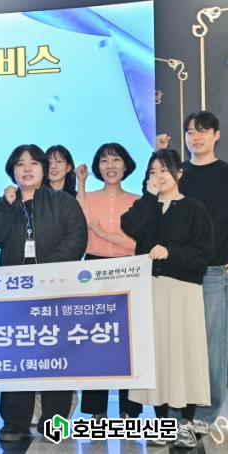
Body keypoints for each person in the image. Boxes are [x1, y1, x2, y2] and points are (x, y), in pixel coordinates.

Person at [0, 144, 87, 442]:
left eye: (33, 163)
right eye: (19, 164)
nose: (26, 169)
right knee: (17, 354)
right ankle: (14, 421)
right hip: (15, 294)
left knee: (55, 355)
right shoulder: (7, 202)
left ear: (43, 168)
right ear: (12, 171)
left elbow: (77, 239)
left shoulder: (64, 202)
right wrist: (5, 206)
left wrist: (45, 271)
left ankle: (55, 421)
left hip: (54, 289)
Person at [122, 148, 213, 449]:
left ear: (179, 174)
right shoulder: (146, 205)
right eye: (153, 171)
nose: (158, 176)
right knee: (157, 355)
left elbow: (203, 253)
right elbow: (130, 227)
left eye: (164, 170)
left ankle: (186, 423)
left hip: (183, 291)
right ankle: (161, 424)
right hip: (150, 289)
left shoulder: (195, 209)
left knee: (186, 354)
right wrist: (149, 197)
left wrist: (171, 252)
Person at [75, 143, 141, 420]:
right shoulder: (87, 197)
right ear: (97, 167)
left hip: (130, 270)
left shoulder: (138, 201)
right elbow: (81, 227)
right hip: (94, 268)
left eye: (116, 160)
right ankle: (96, 410)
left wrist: (104, 234)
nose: (110, 165)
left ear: (126, 165)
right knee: (95, 339)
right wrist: (80, 183)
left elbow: (140, 243)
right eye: (104, 160)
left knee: (129, 341)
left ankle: (129, 409)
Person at [176, 111, 228, 434]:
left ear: (216, 135)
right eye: (190, 132)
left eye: (203, 131)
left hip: (213, 270)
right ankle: (176, 412)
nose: (196, 137)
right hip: (176, 271)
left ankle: (206, 416)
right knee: (177, 343)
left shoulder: (225, 173)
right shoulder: (178, 174)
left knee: (212, 346)